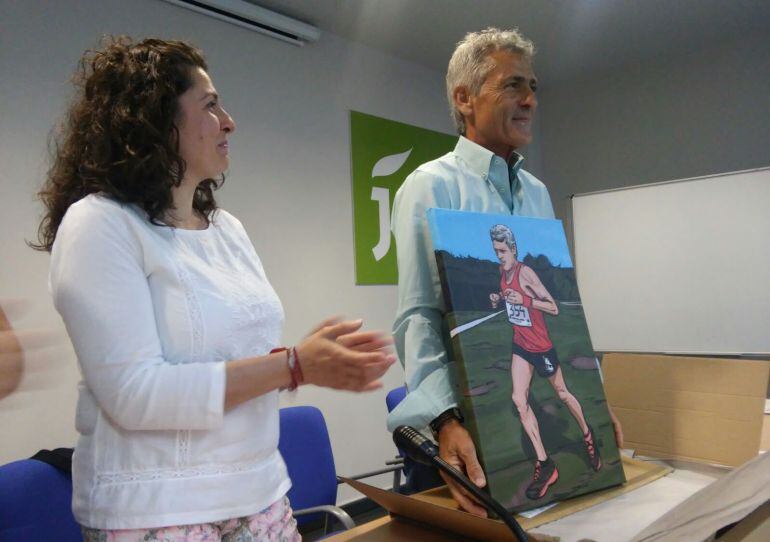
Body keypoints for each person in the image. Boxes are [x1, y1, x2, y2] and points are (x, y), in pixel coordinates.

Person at [32, 37, 394, 541]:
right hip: (155, 506)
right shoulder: (99, 224)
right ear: (156, 124)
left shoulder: (227, 230)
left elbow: (237, 357)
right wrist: (292, 365)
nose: (228, 121)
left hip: (257, 487)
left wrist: (305, 363)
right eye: (209, 105)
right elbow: (134, 394)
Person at [386, 28, 623, 516]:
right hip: (462, 435)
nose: (530, 100)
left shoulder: (535, 192)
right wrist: (445, 420)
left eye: (533, 87)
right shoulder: (430, 187)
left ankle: (575, 441)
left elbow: (560, 306)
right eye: (513, 85)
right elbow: (419, 317)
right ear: (464, 98)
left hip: (536, 349)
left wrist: (595, 401)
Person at [489, 224, 601, 500]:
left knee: (561, 393)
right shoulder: (502, 272)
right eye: (495, 251)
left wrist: (525, 300)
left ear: (513, 249)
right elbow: (508, 298)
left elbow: (553, 307)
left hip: (542, 347)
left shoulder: (526, 272)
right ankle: (545, 463)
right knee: (519, 399)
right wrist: (499, 298)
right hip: (521, 346)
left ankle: (587, 436)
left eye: (502, 251)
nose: (499, 256)